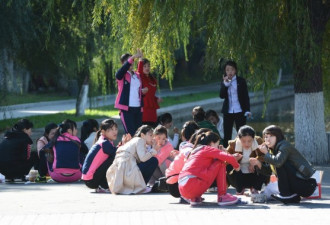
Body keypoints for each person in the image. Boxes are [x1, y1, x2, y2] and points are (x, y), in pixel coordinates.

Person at [178, 131, 241, 206]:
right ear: (211, 143)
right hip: (193, 184)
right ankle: (222, 196)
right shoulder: (207, 148)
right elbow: (228, 157)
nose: (218, 148)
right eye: (217, 145)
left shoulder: (195, 151)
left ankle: (195, 198)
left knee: (206, 169)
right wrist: (237, 166)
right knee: (220, 162)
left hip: (182, 189)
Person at [259, 125, 317, 204]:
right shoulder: (272, 150)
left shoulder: (284, 146)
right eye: (266, 137)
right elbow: (270, 172)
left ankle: (285, 194)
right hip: (296, 184)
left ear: (278, 136)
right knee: (277, 162)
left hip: (306, 185)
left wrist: (266, 153)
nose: (268, 139)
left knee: (280, 162)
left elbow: (278, 162)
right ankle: (291, 196)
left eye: (271, 136)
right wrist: (258, 164)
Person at [106, 125, 159, 194]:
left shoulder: (133, 140)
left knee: (150, 160)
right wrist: (153, 150)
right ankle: (143, 187)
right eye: (150, 135)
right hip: (127, 169)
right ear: (142, 135)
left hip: (120, 171)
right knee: (153, 161)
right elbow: (143, 158)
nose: (152, 138)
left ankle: (140, 186)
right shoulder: (140, 140)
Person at [82, 119, 129, 193]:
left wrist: (122, 144)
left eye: (115, 129)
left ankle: (104, 185)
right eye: (111, 130)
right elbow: (118, 153)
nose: (114, 132)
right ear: (103, 132)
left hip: (89, 179)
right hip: (91, 180)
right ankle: (104, 185)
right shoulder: (104, 143)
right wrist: (123, 143)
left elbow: (116, 150)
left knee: (114, 157)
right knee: (115, 158)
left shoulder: (106, 142)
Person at [226, 125, 270, 195]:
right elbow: (224, 159)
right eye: (243, 141)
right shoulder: (233, 144)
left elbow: (266, 156)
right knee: (229, 166)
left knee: (264, 165)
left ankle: (255, 188)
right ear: (239, 138)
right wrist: (233, 159)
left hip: (253, 174)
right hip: (238, 176)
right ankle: (239, 188)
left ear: (253, 138)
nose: (246, 144)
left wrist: (256, 161)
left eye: (249, 141)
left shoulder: (258, 141)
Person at [114, 49, 147, 136]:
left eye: (133, 60)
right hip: (126, 109)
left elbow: (137, 90)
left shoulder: (137, 75)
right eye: (129, 60)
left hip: (138, 108)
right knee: (130, 134)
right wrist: (133, 57)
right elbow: (119, 74)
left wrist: (142, 91)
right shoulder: (121, 75)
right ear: (123, 63)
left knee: (139, 134)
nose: (132, 62)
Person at [219, 60, 251, 147]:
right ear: (225, 71)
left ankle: (243, 151)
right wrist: (225, 85)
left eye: (232, 69)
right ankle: (226, 154)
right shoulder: (224, 81)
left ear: (235, 70)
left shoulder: (241, 81)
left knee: (242, 133)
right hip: (228, 111)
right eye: (227, 70)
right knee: (227, 134)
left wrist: (247, 110)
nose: (230, 72)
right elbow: (221, 96)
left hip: (240, 111)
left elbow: (245, 97)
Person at [138, 57, 162, 128]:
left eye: (148, 66)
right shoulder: (140, 77)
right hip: (144, 108)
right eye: (144, 66)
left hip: (152, 108)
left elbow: (151, 94)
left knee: (153, 128)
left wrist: (156, 99)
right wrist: (140, 60)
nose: (147, 68)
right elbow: (139, 71)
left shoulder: (152, 79)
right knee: (145, 129)